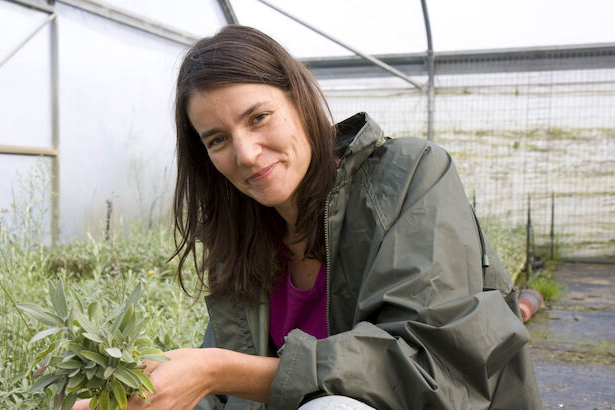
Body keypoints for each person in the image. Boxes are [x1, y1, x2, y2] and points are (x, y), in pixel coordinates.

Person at [75, 25, 541, 410]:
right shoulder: (243, 237)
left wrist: (217, 370)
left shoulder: (409, 176)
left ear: (300, 102)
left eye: (258, 117)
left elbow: (429, 370)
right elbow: (224, 394)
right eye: (217, 139)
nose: (245, 153)